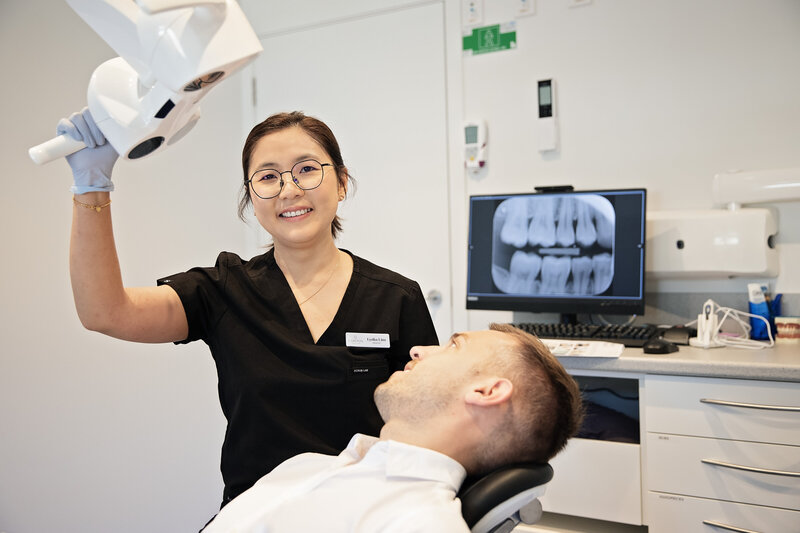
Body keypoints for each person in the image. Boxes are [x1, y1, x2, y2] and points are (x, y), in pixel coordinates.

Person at [58, 109, 439, 507]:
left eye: (307, 169)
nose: (289, 189)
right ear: (251, 196)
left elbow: (433, 427)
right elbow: (104, 311)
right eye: (268, 177)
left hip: (364, 516)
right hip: (255, 517)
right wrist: (90, 186)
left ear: (341, 182)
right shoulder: (224, 290)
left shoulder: (397, 298)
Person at [202, 323, 584, 532]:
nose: (419, 350)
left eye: (453, 346)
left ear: (485, 391)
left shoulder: (417, 521)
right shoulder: (309, 465)